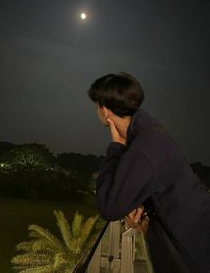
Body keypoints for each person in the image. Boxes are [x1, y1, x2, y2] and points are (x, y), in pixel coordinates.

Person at [87, 72, 210, 273]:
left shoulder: (144, 145)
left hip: (198, 247)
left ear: (105, 111)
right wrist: (140, 202)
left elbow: (108, 207)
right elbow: (155, 180)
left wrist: (116, 146)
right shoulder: (147, 133)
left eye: (96, 106)